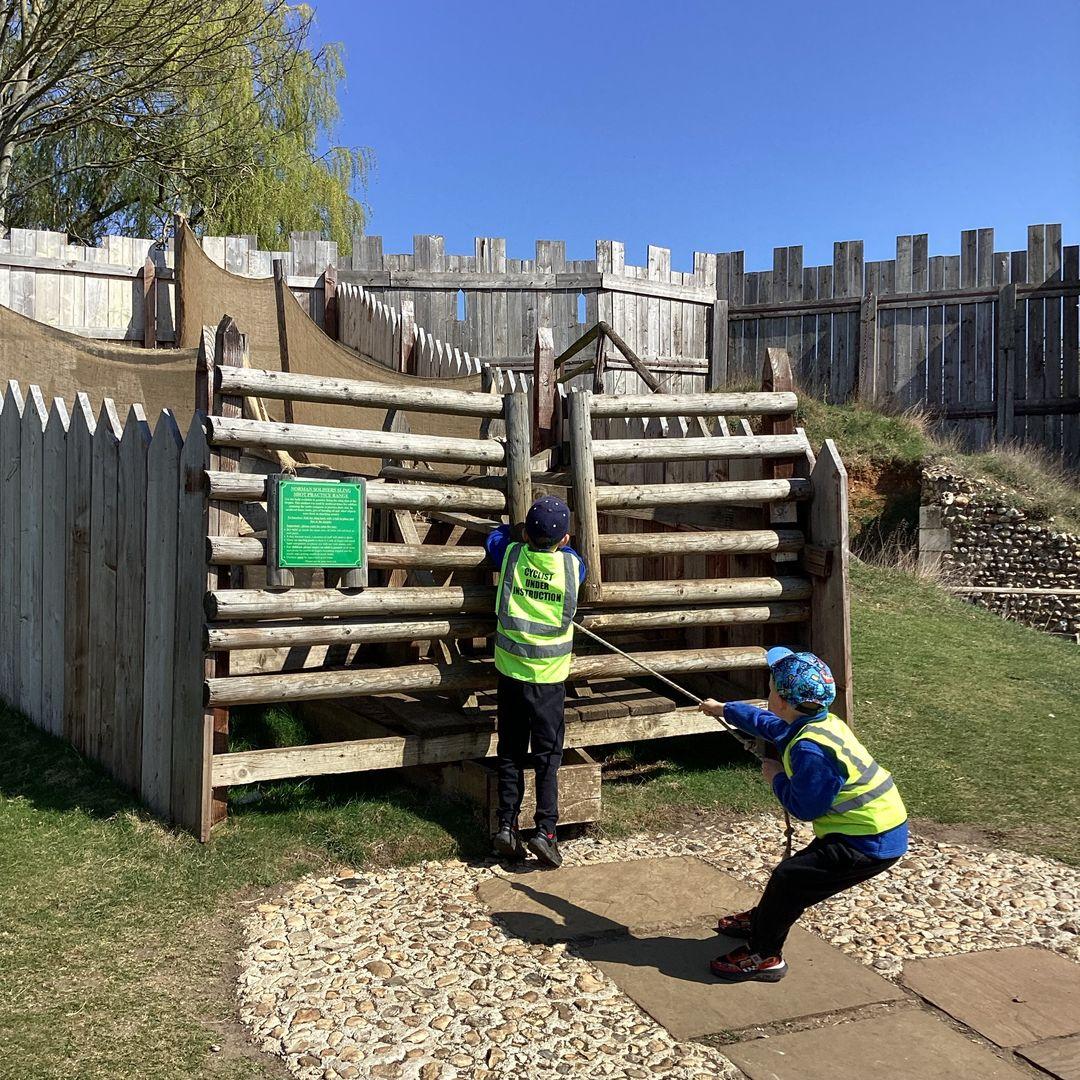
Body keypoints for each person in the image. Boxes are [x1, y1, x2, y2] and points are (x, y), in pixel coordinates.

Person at [699, 647, 908, 983]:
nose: (768, 694)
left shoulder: (812, 750)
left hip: (869, 841)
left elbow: (806, 807)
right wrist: (723, 709)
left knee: (791, 880)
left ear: (782, 701)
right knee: (793, 880)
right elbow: (767, 724)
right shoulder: (818, 722)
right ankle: (764, 920)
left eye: (770, 689)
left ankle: (764, 954)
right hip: (869, 828)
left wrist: (776, 778)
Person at [484, 495, 586, 868]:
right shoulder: (572, 567)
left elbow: (493, 539)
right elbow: (575, 559)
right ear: (565, 539)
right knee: (547, 757)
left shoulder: (512, 556)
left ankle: (507, 826)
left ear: (526, 533)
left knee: (510, 751)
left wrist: (513, 531)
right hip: (550, 679)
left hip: (511, 674)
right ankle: (545, 831)